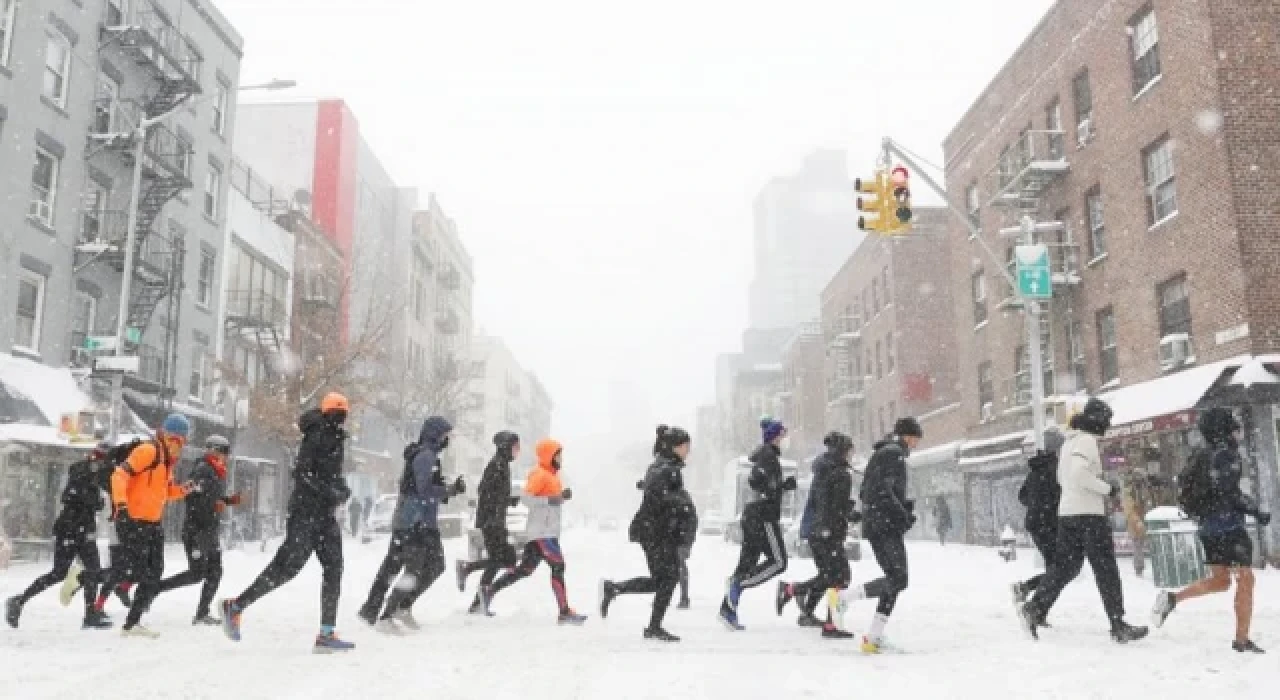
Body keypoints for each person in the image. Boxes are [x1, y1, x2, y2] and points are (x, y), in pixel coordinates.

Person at [220, 393, 355, 653]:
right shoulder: (315, 436)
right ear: (328, 414)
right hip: (306, 514)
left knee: (334, 568)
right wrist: (331, 492)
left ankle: (326, 633)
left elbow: (331, 476)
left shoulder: (336, 439)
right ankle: (235, 606)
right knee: (286, 569)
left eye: (343, 413)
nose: (341, 418)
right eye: (338, 413)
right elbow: (303, 474)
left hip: (324, 516)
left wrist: (342, 489)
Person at [1017, 398, 1148, 644]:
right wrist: (1106, 488)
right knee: (1106, 570)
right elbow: (1078, 473)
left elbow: (1062, 476)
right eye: (1106, 421)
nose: (1108, 426)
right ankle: (1118, 624)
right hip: (1089, 516)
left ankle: (1035, 608)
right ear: (1098, 420)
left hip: (1068, 515)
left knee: (1065, 567)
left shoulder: (1069, 441)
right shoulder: (1086, 440)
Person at [1152, 408, 1270, 653]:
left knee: (1221, 580)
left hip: (1208, 528)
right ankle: (1241, 640)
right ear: (1224, 430)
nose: (1237, 432)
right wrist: (1256, 511)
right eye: (1232, 427)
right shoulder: (1226, 454)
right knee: (1246, 580)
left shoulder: (1199, 454)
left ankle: (1173, 599)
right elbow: (1230, 494)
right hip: (1229, 527)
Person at [358, 416, 463, 633]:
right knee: (414, 569)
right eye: (446, 435)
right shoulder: (425, 456)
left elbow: (425, 489)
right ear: (435, 434)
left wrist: (448, 489)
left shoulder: (429, 455)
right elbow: (423, 491)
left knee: (404, 566)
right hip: (414, 522)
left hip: (418, 521)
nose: (448, 440)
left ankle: (381, 609)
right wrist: (449, 490)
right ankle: (387, 615)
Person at [831, 418, 922, 653]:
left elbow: (868, 491)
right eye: (916, 439)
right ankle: (844, 598)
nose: (916, 445)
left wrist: (902, 506)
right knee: (898, 579)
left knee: (895, 580)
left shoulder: (883, 453)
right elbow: (882, 491)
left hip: (878, 524)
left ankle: (873, 637)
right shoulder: (894, 454)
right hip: (885, 526)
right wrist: (902, 513)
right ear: (908, 436)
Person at [600, 425, 696, 642]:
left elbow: (656, 492)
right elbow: (659, 498)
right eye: (686, 446)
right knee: (668, 578)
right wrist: (683, 504)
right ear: (676, 446)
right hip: (656, 531)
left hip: (654, 530)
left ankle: (615, 589)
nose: (688, 450)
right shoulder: (666, 468)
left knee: (662, 580)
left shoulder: (664, 466)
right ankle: (653, 626)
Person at [5, 445, 115, 630]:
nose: (104, 465)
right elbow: (75, 498)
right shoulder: (81, 472)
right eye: (103, 461)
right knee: (60, 573)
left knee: (93, 571)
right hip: (70, 530)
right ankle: (19, 601)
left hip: (83, 530)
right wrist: (96, 500)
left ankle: (90, 615)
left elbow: (93, 499)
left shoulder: (92, 475)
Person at [479, 438, 586, 625]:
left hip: (545, 531)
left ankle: (489, 591)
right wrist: (553, 499)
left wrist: (560, 498)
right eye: (558, 454)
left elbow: (552, 500)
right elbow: (526, 498)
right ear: (549, 455)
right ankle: (564, 611)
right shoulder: (540, 474)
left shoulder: (552, 476)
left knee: (524, 570)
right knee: (558, 567)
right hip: (542, 533)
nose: (561, 458)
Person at [114, 413, 194, 637]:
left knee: (154, 572)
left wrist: (182, 490)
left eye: (182, 441)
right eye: (176, 440)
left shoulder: (166, 463)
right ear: (166, 436)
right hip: (133, 519)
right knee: (137, 570)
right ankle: (85, 576)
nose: (179, 446)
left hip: (152, 523)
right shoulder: (148, 451)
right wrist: (121, 506)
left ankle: (132, 624)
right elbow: (119, 475)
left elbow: (165, 493)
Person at [776, 431, 858, 639]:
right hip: (827, 532)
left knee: (828, 576)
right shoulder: (839, 473)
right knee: (841, 577)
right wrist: (847, 516)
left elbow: (825, 502)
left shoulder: (823, 470)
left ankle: (802, 607)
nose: (851, 456)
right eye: (849, 451)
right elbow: (833, 506)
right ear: (843, 451)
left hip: (817, 531)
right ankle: (830, 624)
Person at [152, 435, 241, 625]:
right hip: (197, 530)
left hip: (209, 530)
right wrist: (213, 505)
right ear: (214, 451)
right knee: (197, 574)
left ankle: (202, 613)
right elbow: (192, 498)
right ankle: (154, 589)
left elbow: (209, 497)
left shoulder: (216, 471)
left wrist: (226, 500)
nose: (227, 457)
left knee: (215, 572)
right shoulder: (202, 470)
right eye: (225, 452)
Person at [719, 417, 796, 630]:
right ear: (775, 436)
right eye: (782, 435)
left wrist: (780, 485)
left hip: (753, 515)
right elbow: (761, 483)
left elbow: (759, 482)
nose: (785, 439)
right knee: (778, 562)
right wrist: (780, 486)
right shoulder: (768, 456)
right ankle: (737, 585)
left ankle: (728, 609)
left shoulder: (763, 456)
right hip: (764, 517)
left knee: (746, 565)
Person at [456, 431, 522, 614]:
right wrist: (501, 504)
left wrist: (507, 500)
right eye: (516, 447)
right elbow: (484, 492)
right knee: (502, 560)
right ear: (505, 447)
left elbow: (493, 493)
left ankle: (477, 601)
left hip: (495, 520)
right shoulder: (497, 465)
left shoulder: (502, 465)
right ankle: (469, 573)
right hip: (491, 521)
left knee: (502, 560)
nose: (518, 451)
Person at [1011, 429, 1065, 609]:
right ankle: (1031, 600)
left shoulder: (1037, 467)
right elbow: (1058, 497)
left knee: (1056, 570)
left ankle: (1033, 601)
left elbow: (1022, 496)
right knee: (1058, 571)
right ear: (1056, 448)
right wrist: (1047, 506)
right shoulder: (1056, 469)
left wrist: (1036, 505)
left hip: (1036, 523)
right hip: (1049, 524)